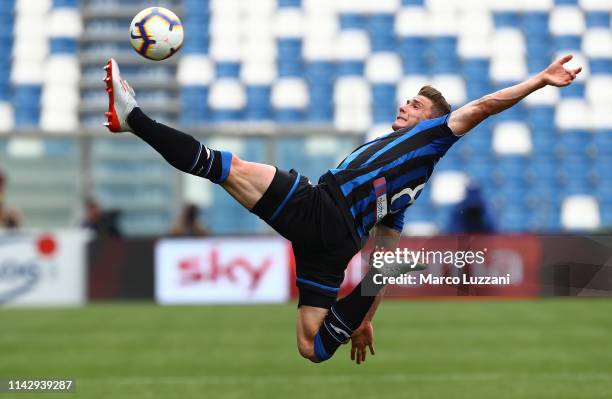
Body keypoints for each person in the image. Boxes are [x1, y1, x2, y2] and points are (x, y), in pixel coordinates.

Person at [103, 54, 581, 364]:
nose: (405, 105)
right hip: (335, 244)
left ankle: (135, 118)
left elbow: (482, 107)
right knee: (312, 345)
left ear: (433, 120)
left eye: (415, 105)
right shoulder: (406, 178)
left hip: (322, 211)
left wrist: (538, 80)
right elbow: (386, 254)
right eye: (408, 101)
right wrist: (363, 317)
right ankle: (133, 120)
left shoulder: (434, 138)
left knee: (224, 167)